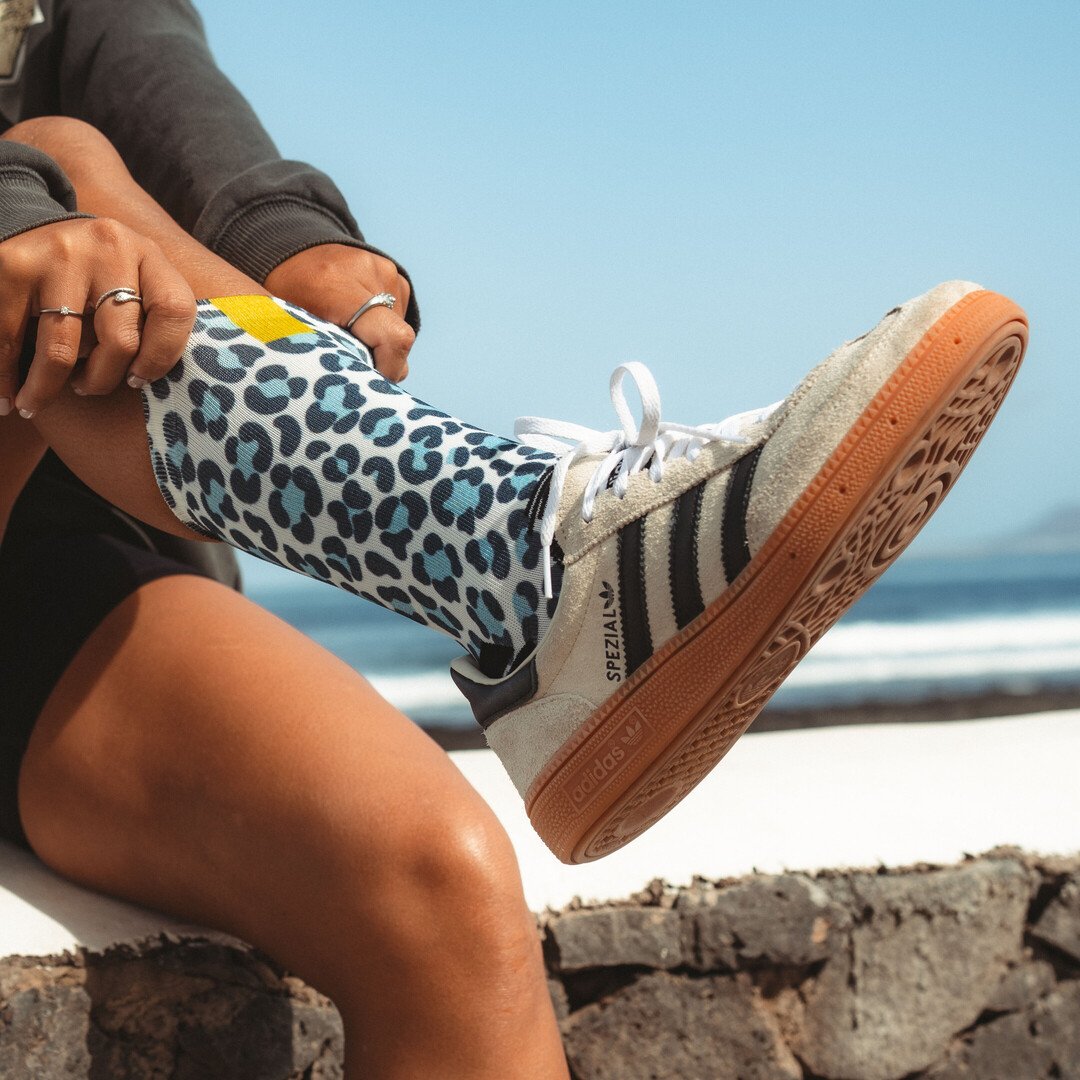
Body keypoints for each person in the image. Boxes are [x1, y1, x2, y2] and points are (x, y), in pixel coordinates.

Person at [0, 2, 1028, 1077]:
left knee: (437, 889)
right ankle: (531, 562)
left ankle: (530, 573)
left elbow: (149, 68)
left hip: (54, 564)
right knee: (51, 176)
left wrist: (289, 244)